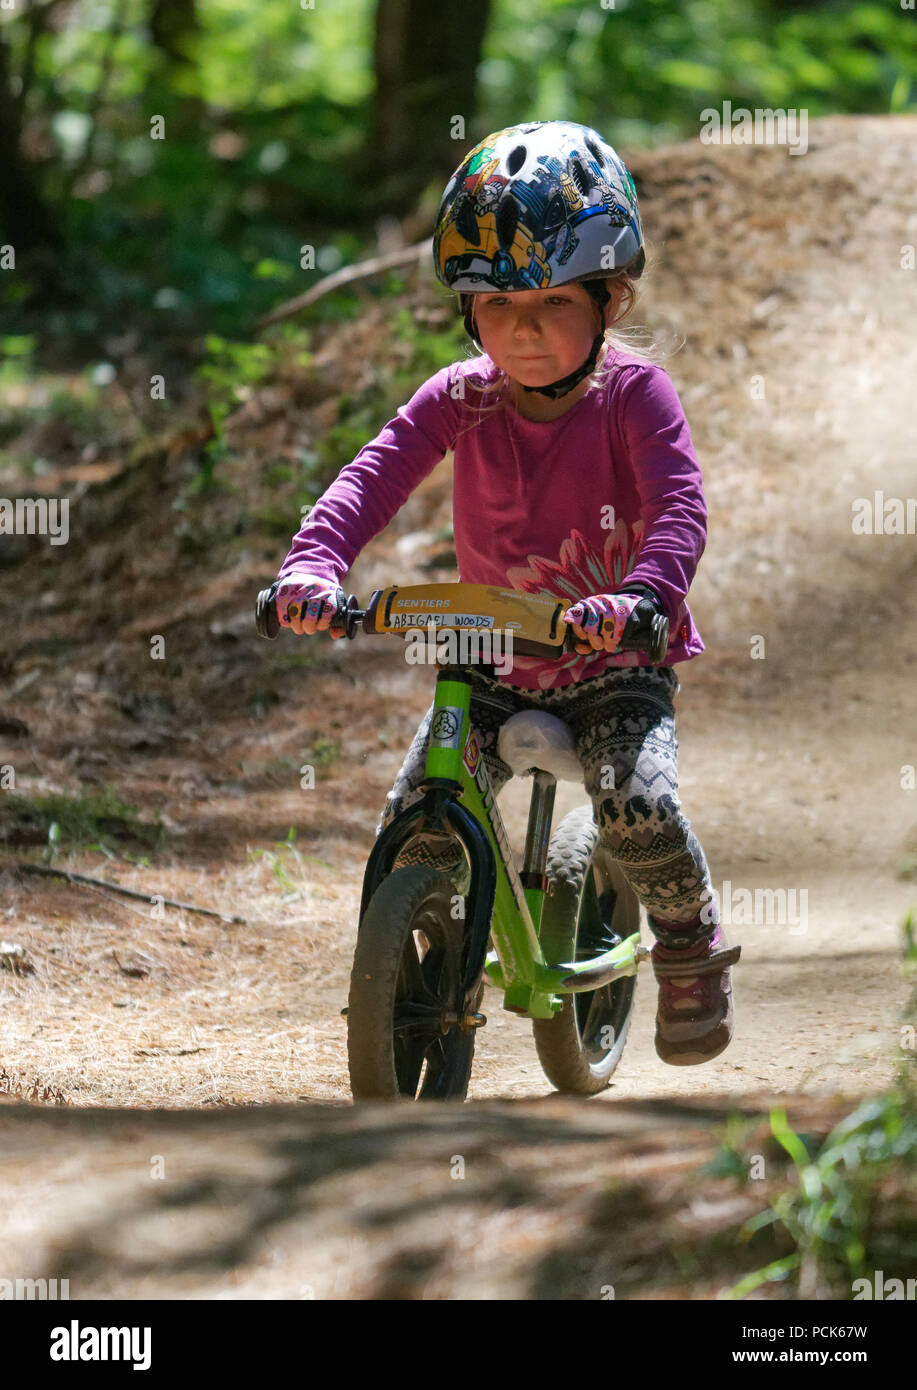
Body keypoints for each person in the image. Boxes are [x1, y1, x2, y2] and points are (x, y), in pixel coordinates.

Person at [272, 121, 740, 1066]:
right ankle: (420, 987)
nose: (523, 328)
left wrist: (645, 592)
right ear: (465, 312)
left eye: (555, 301)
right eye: (497, 303)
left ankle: (689, 941)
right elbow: (373, 475)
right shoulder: (459, 397)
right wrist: (314, 566)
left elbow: (678, 506)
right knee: (414, 833)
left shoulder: (633, 397)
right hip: (486, 663)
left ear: (611, 299)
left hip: (612, 661)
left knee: (634, 809)